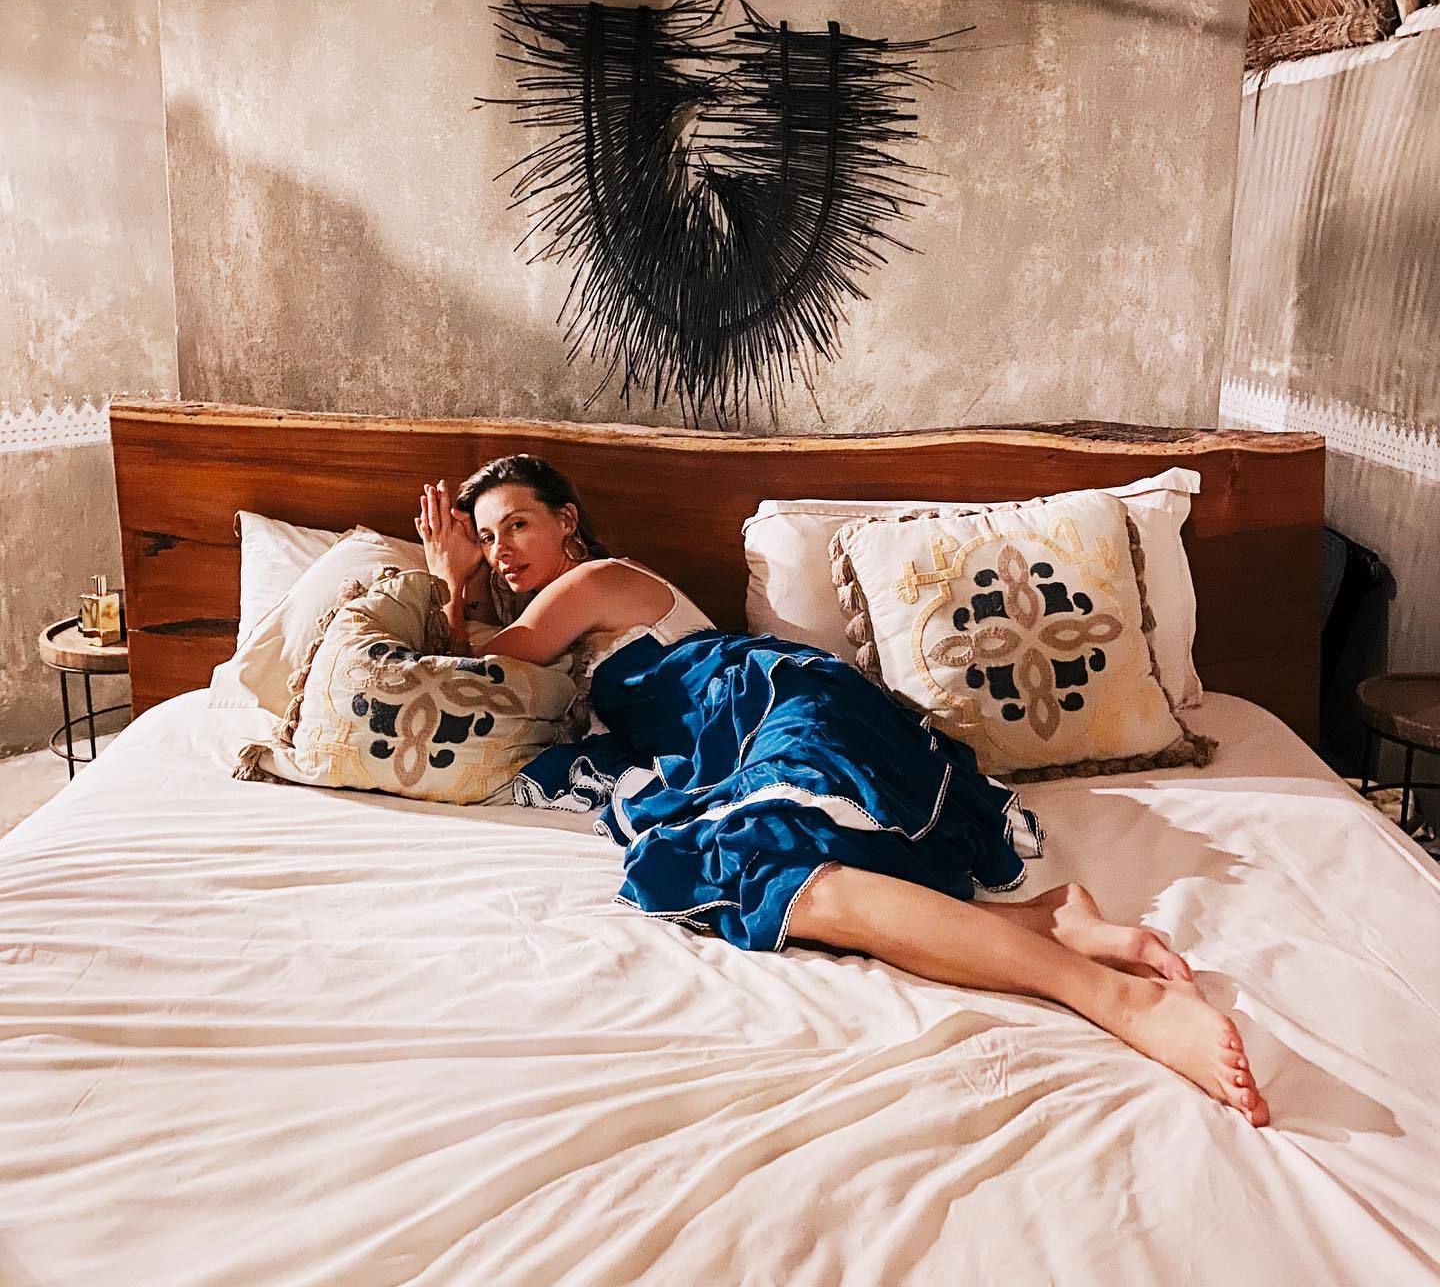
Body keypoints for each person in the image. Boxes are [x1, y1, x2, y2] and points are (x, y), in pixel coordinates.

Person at [417, 456, 1269, 1128]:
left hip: (767, 706)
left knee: (773, 874)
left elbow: (487, 666)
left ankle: (1121, 1002)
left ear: (567, 522)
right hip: (751, 725)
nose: (502, 550)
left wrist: (449, 581)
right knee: (785, 883)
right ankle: (1047, 922)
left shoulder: (590, 581)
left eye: (517, 524)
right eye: (486, 540)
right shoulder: (567, 611)